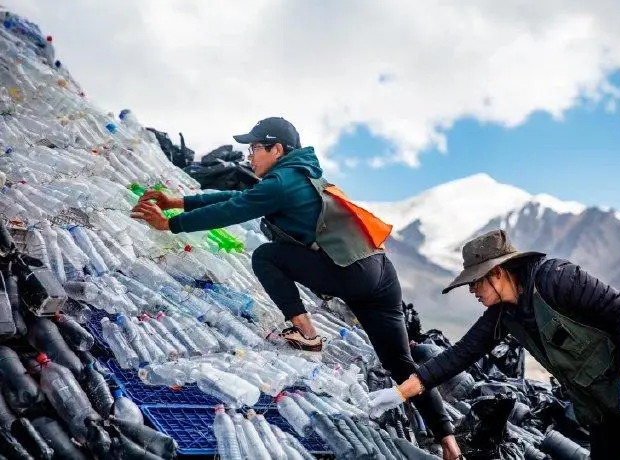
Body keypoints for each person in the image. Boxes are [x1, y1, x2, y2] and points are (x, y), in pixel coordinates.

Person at [131, 117, 461, 459]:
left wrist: (171, 224)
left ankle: (307, 333)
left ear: (277, 149)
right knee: (401, 364)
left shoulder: (282, 181)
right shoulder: (303, 175)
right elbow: (242, 195)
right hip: (380, 274)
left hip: (350, 274)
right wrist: (179, 201)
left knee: (267, 256)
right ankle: (450, 443)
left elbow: (235, 209)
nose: (249, 156)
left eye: (255, 148)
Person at [368, 229, 620, 459]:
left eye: (475, 281)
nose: (472, 291)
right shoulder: (503, 315)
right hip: (605, 387)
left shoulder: (556, 278)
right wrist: (399, 393)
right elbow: (458, 356)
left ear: (498, 273)